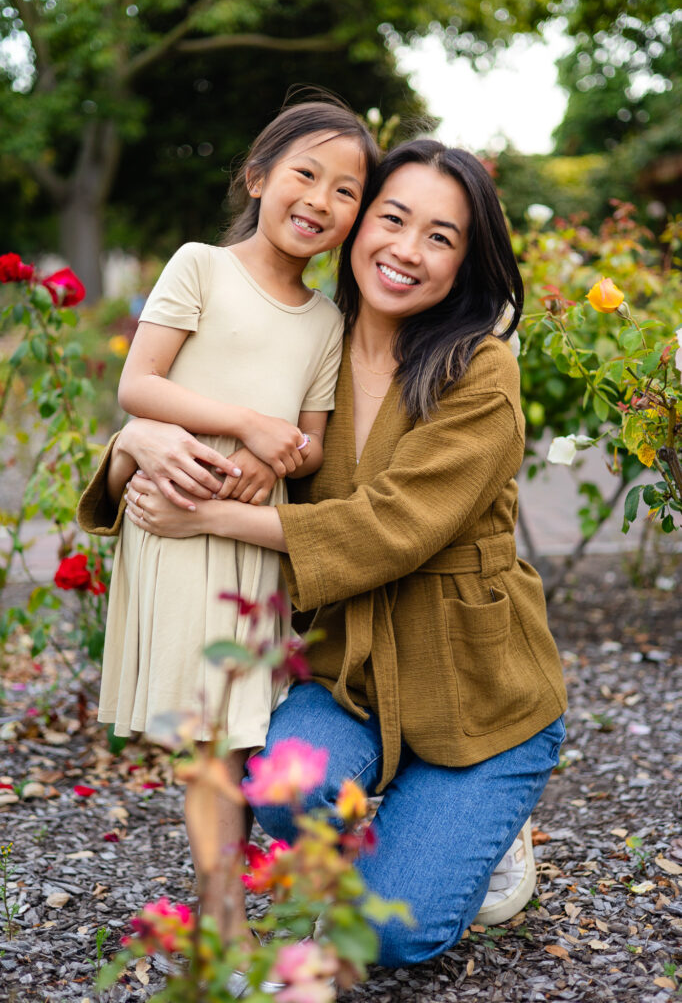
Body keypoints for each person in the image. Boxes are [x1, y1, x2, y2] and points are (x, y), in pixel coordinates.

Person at [80, 139, 567, 969]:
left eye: (441, 237)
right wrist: (139, 437)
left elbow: (389, 527)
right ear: (358, 224)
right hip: (356, 679)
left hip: (478, 695)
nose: (408, 250)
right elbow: (221, 418)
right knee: (284, 784)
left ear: (465, 261)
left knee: (390, 930)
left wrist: (211, 522)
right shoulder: (318, 341)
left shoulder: (478, 371)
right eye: (394, 219)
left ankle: (487, 826)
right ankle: (417, 823)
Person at [79, 97, 379, 948]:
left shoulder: (328, 321)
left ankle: (244, 897)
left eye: (346, 190)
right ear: (257, 177)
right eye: (305, 174)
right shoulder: (201, 266)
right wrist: (246, 425)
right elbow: (141, 386)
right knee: (210, 732)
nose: (321, 199)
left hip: (253, 538)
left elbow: (311, 447)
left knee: (247, 731)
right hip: (178, 524)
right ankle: (224, 915)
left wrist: (273, 455)